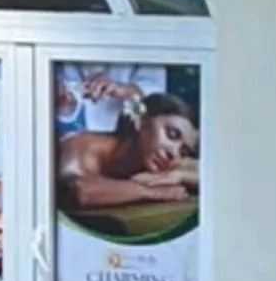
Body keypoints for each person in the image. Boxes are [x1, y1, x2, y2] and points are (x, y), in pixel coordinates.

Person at [56, 90, 200, 210]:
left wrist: (180, 176)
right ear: (141, 122)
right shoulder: (77, 152)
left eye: (183, 151)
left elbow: (211, 176)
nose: (174, 153)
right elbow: (81, 192)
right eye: (171, 134)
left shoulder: (162, 161)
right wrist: (152, 192)